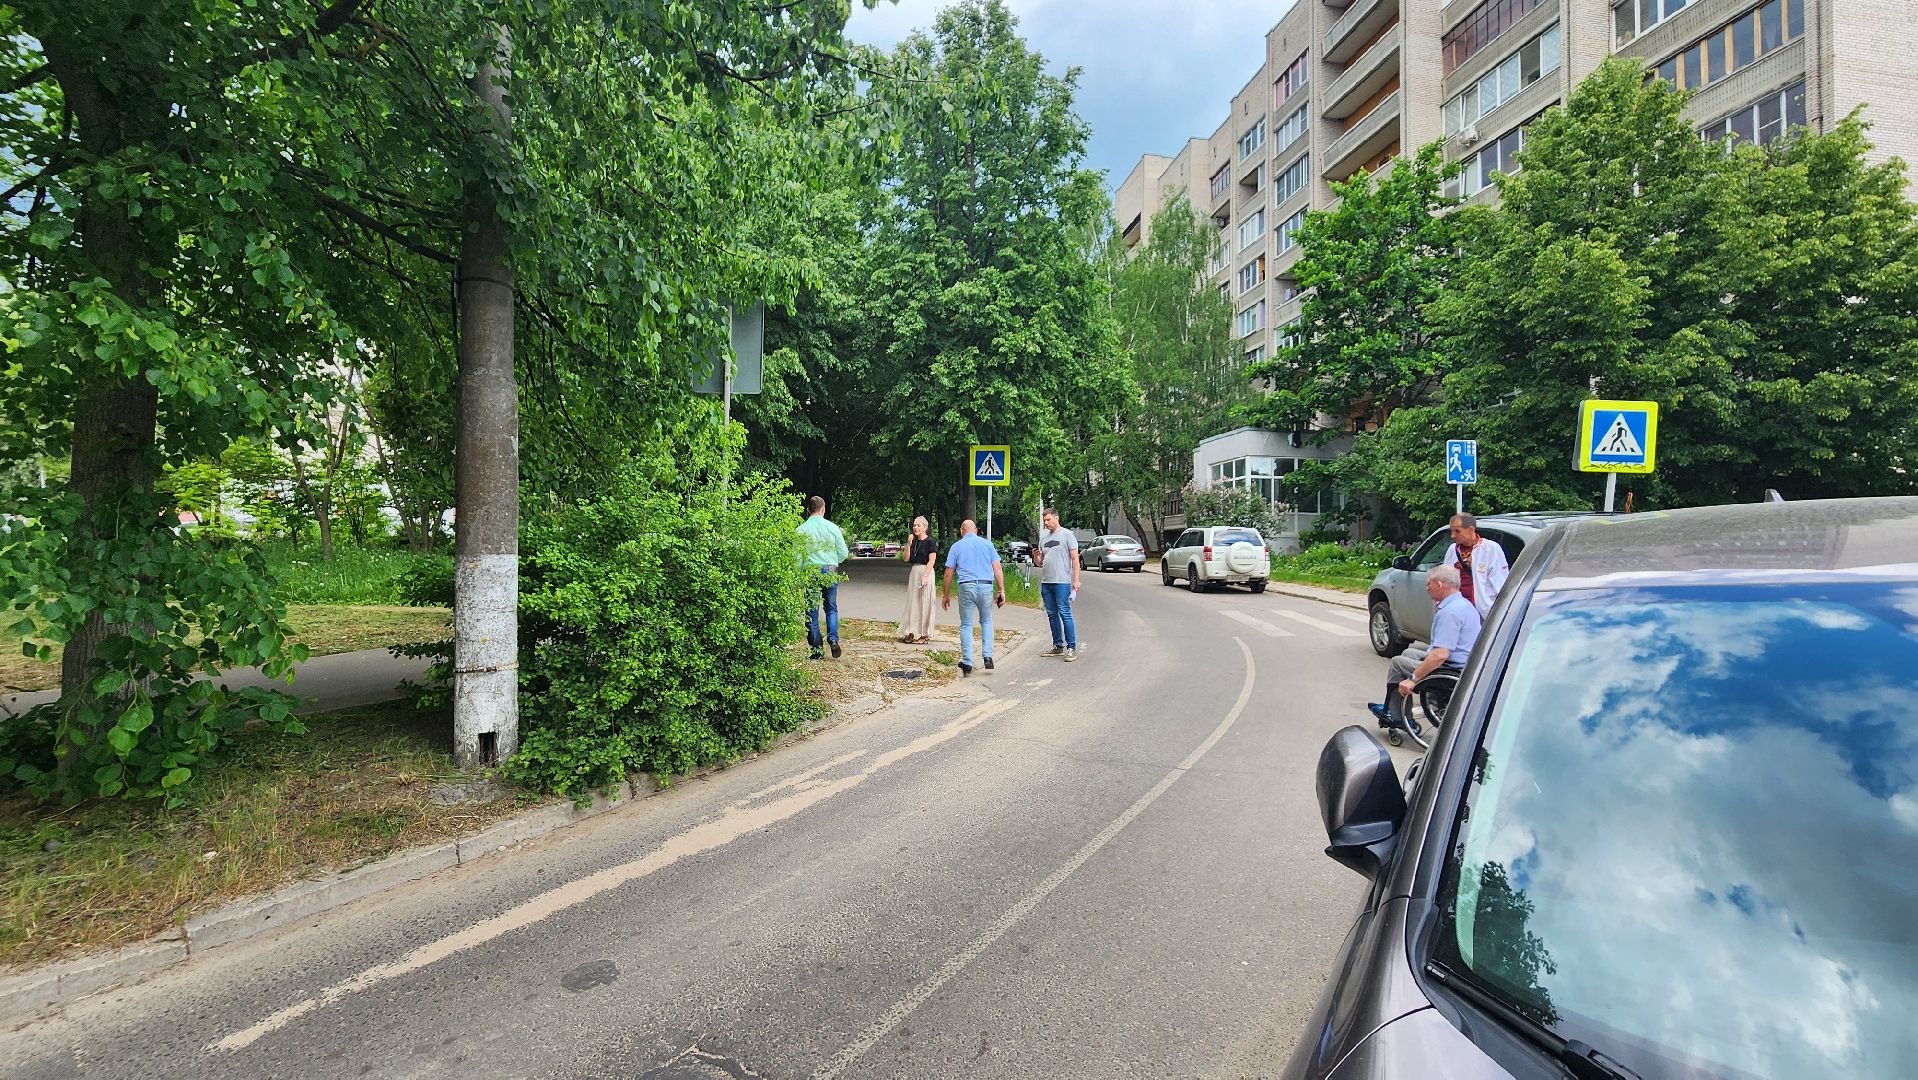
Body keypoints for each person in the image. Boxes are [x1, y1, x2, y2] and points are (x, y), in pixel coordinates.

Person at [1368, 564, 1480, 736]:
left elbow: (1440, 654)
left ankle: (1397, 716)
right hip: (1465, 661)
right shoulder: (1464, 604)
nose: (1427, 588)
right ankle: (1393, 704)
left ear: (1440, 585)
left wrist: (1413, 679)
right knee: (1408, 653)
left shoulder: (1449, 613)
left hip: (1452, 668)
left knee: (1398, 663)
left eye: (1429, 584)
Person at [939, 519, 1005, 676]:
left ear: (962, 531)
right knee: (987, 621)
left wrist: (946, 594)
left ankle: (967, 662)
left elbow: (949, 572)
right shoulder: (988, 545)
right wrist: (1001, 590)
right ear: (976, 531)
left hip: (966, 586)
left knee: (966, 624)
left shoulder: (957, 546)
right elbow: (997, 567)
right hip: (986, 586)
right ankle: (987, 656)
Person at [796, 495, 849, 660]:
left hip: (810, 571)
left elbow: (797, 557)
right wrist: (833, 562)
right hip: (830, 570)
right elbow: (843, 553)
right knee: (831, 608)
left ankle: (817, 650)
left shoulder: (801, 530)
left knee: (811, 611)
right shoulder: (833, 528)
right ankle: (833, 639)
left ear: (808, 510)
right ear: (823, 509)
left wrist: (799, 575)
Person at [1032, 507, 1082, 662]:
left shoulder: (1067, 535)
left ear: (1056, 518)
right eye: (1044, 520)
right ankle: (1057, 646)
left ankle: (1071, 648)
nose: (1046, 523)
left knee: (1064, 613)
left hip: (1061, 582)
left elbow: (1075, 558)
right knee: (1052, 614)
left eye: (1048, 520)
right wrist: (1036, 557)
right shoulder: (1044, 539)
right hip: (1047, 582)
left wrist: (1076, 580)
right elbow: (1040, 563)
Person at [1443, 512, 1509, 622]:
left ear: (1471, 529)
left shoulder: (1490, 549)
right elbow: (1445, 580)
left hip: (1483, 613)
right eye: (1452, 531)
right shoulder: (1452, 550)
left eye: (1457, 531)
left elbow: (1501, 584)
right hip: (1458, 611)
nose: (1453, 535)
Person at [898, 515, 938, 644]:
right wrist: (908, 544)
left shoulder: (930, 541)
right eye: (914, 525)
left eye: (918, 525)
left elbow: (932, 560)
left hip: (925, 571)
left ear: (925, 527)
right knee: (913, 602)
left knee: (925, 601)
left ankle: (924, 634)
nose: (915, 527)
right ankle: (912, 630)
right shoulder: (913, 542)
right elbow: (905, 558)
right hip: (914, 571)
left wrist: (925, 576)